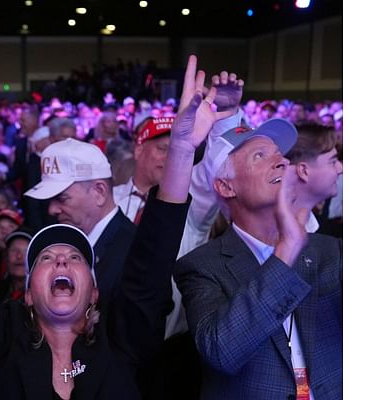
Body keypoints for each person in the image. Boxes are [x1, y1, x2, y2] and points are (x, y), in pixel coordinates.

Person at [0, 58, 214, 397]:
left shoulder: (122, 342)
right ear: (29, 294)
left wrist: (182, 150)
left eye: (76, 258)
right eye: (47, 258)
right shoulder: (3, 341)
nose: (62, 260)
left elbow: (153, 257)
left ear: (95, 292)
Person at [174, 119, 342, 399]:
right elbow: (223, 351)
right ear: (226, 187)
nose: (280, 161)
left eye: (279, 153)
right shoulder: (202, 266)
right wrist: (286, 251)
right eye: (260, 156)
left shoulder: (329, 251)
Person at [24, 137, 134, 304]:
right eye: (50, 200)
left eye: (61, 198)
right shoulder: (62, 240)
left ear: (99, 192)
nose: (51, 210)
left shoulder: (133, 251)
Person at [113, 116, 174, 224]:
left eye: (175, 153)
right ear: (138, 151)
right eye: (162, 149)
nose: (169, 158)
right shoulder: (109, 199)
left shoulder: (183, 210)